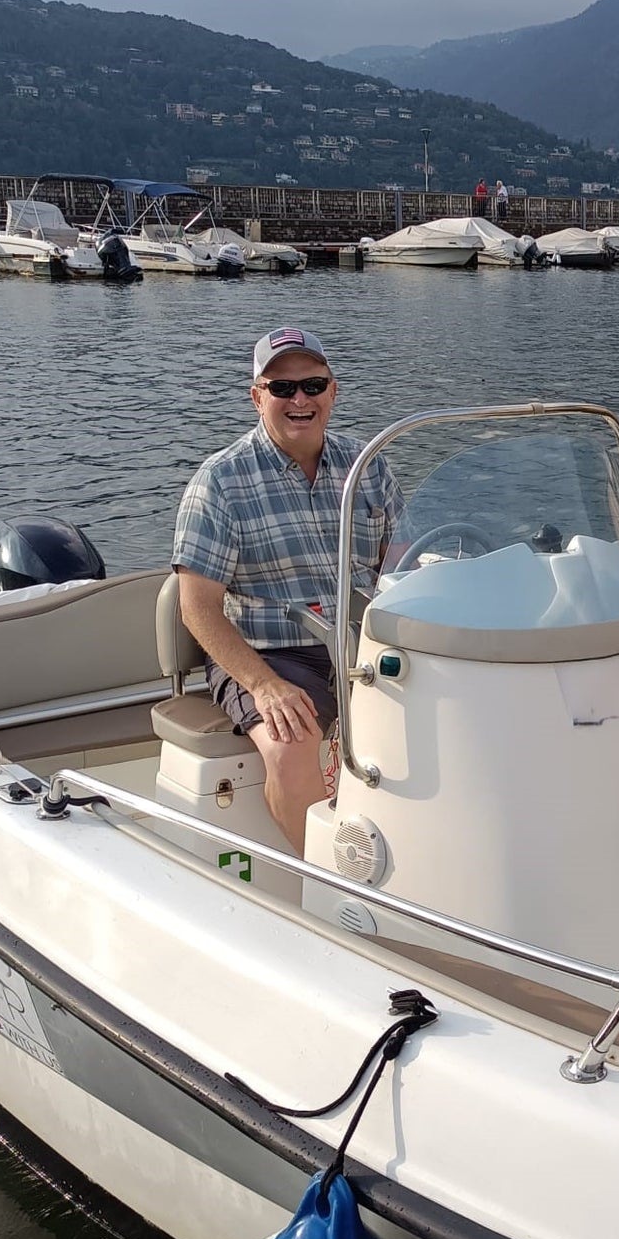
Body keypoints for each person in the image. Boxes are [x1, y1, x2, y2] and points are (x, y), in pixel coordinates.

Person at [173, 326, 405, 855]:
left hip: (365, 644)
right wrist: (263, 684)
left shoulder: (368, 465)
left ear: (333, 391)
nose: (299, 399)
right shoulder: (220, 482)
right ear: (257, 398)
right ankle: (335, 891)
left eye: (313, 385)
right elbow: (197, 608)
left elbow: (405, 564)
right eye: (282, 389)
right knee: (290, 744)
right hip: (273, 653)